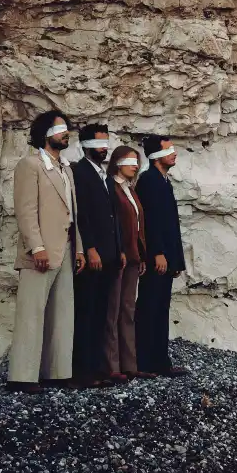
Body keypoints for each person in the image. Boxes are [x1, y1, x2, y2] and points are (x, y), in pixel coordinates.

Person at [8, 110, 86, 394]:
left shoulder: (66, 168)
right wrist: (36, 247)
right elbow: (26, 211)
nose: (66, 133)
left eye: (67, 129)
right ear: (45, 134)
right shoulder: (29, 165)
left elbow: (71, 212)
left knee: (62, 313)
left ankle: (56, 372)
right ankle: (22, 376)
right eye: (60, 129)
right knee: (32, 313)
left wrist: (78, 248)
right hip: (40, 250)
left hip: (65, 248)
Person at [71, 123, 125, 387]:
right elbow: (82, 215)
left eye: (106, 144)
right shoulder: (79, 172)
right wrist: (89, 247)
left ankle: (97, 368)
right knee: (87, 313)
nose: (104, 149)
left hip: (110, 254)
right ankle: (83, 372)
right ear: (85, 146)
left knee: (102, 313)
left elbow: (112, 216)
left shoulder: (102, 175)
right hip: (94, 255)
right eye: (98, 145)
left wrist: (118, 249)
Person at [134, 135, 189, 377]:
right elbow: (150, 223)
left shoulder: (163, 181)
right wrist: (156, 253)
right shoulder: (148, 181)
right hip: (157, 258)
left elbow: (171, 225)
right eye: (169, 149)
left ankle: (159, 360)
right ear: (156, 155)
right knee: (149, 307)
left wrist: (175, 259)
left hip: (166, 258)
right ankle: (144, 361)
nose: (174, 153)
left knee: (160, 308)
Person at [105, 145, 156, 380]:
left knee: (128, 310)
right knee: (112, 310)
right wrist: (120, 251)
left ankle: (130, 365)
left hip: (134, 258)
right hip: (119, 258)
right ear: (117, 162)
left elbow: (138, 226)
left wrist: (142, 254)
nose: (135, 165)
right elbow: (112, 224)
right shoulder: (111, 188)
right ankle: (111, 366)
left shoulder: (130, 190)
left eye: (137, 161)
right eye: (129, 160)